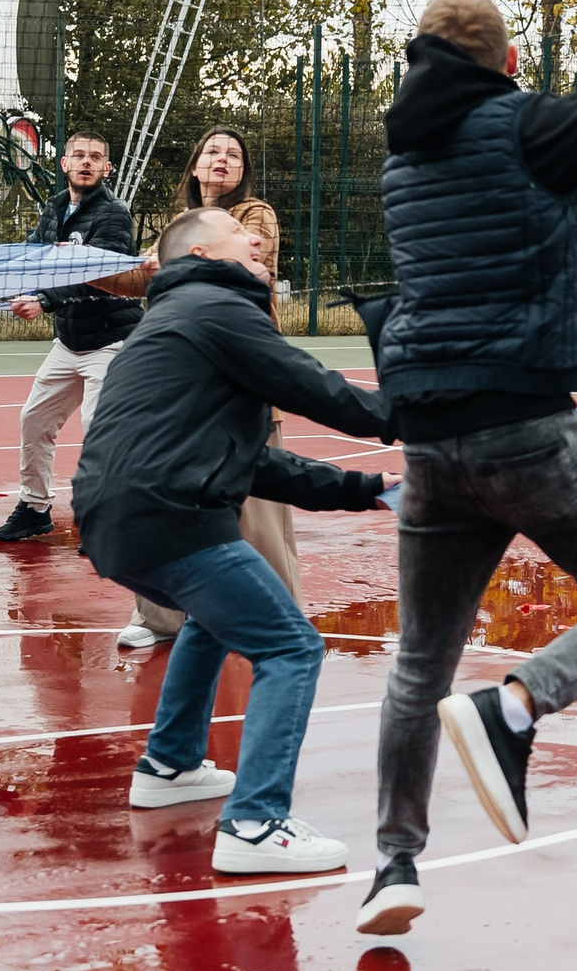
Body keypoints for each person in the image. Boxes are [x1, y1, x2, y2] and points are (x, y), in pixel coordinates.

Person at [355, 0, 577, 937]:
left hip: (432, 434)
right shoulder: (526, 123)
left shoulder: (406, 151)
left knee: (417, 666)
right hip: (521, 425)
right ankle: (516, 705)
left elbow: (498, 239)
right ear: (507, 62)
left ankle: (394, 865)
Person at [68, 205, 395, 874]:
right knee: (291, 645)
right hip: (167, 512)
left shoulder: (179, 318)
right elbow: (315, 388)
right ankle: (255, 822)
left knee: (213, 621)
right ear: (203, 255)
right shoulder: (216, 305)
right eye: (235, 231)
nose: (256, 235)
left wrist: (370, 488)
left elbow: (257, 462)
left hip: (117, 518)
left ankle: (170, 762)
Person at [96, 125, 296, 650]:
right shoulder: (179, 226)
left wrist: (167, 263)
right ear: (195, 165)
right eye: (212, 151)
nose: (222, 159)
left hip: (241, 373)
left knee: (257, 507)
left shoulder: (253, 217)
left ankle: (280, 618)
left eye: (233, 153)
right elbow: (142, 276)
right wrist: (82, 270)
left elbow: (239, 269)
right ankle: (161, 619)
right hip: (183, 382)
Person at [0, 133, 139, 546]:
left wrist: (45, 300)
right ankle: (34, 509)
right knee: (34, 421)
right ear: (63, 163)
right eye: (79, 155)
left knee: (99, 428)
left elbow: (101, 278)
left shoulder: (114, 215)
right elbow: (33, 260)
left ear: (107, 168)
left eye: (95, 157)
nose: (86, 162)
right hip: (70, 341)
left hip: (111, 341)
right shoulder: (53, 208)